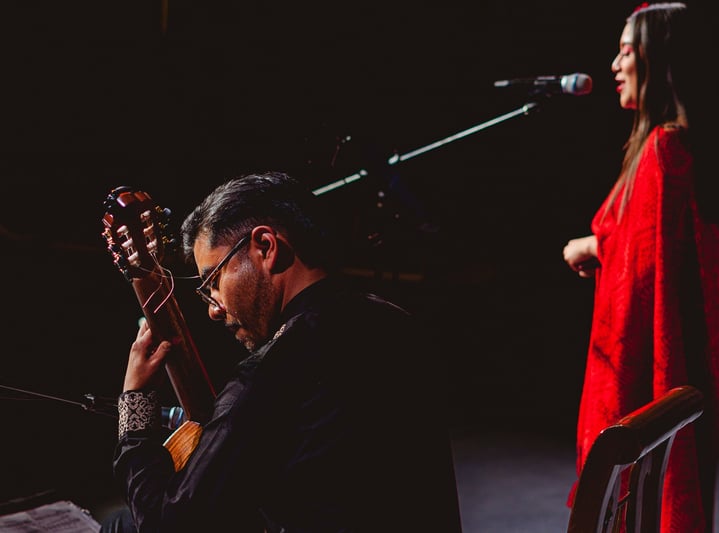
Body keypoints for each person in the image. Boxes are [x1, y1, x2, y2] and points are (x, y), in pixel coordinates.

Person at [101, 171, 462, 532]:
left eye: (213, 281)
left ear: (265, 247)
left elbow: (167, 523)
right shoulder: (397, 322)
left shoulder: (274, 369)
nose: (213, 308)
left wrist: (135, 408)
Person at [562, 3, 719, 532]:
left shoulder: (665, 150)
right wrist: (602, 244)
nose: (614, 64)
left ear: (659, 60)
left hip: (650, 375)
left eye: (628, 51)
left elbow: (643, 282)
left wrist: (593, 247)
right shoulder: (663, 147)